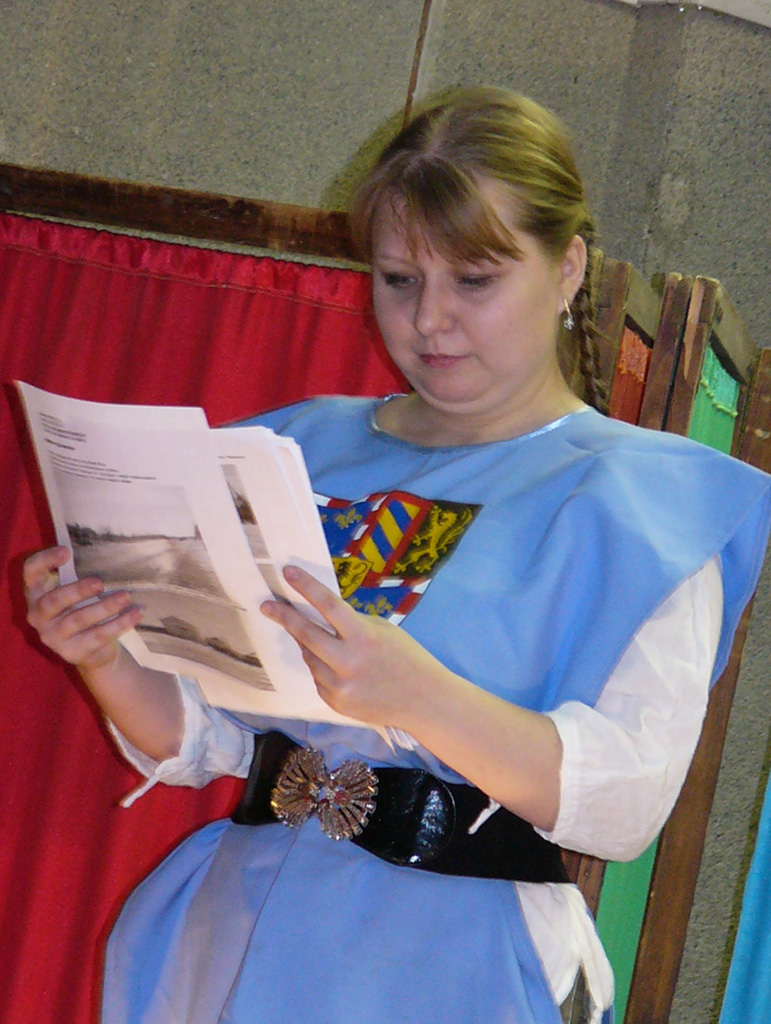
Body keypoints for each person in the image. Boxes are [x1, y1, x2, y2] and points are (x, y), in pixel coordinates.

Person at [23, 88, 771, 1024]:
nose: (430, 320)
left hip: (456, 961)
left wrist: (418, 695)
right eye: (399, 279)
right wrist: (103, 653)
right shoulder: (292, 446)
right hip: (229, 934)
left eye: (475, 280)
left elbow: (624, 805)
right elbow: (210, 735)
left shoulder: (643, 502)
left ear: (568, 268)